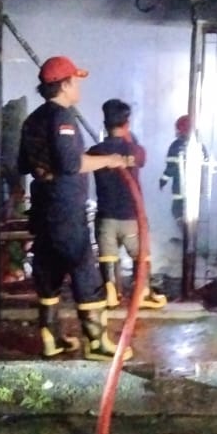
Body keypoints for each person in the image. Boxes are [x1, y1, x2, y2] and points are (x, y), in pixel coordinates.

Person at [17, 55, 132, 360]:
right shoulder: (62, 118)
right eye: (76, 81)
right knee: (85, 271)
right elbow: (71, 164)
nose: (79, 87)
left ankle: (50, 339)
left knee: (49, 272)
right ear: (65, 85)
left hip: (43, 208)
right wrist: (109, 160)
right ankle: (97, 342)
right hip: (65, 208)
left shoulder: (33, 119)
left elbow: (24, 164)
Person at [88, 99, 168, 310]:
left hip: (105, 216)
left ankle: (111, 292)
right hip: (132, 216)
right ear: (127, 124)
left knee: (108, 255)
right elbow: (140, 159)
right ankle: (143, 293)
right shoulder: (136, 151)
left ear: (104, 124)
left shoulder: (95, 151)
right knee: (141, 255)